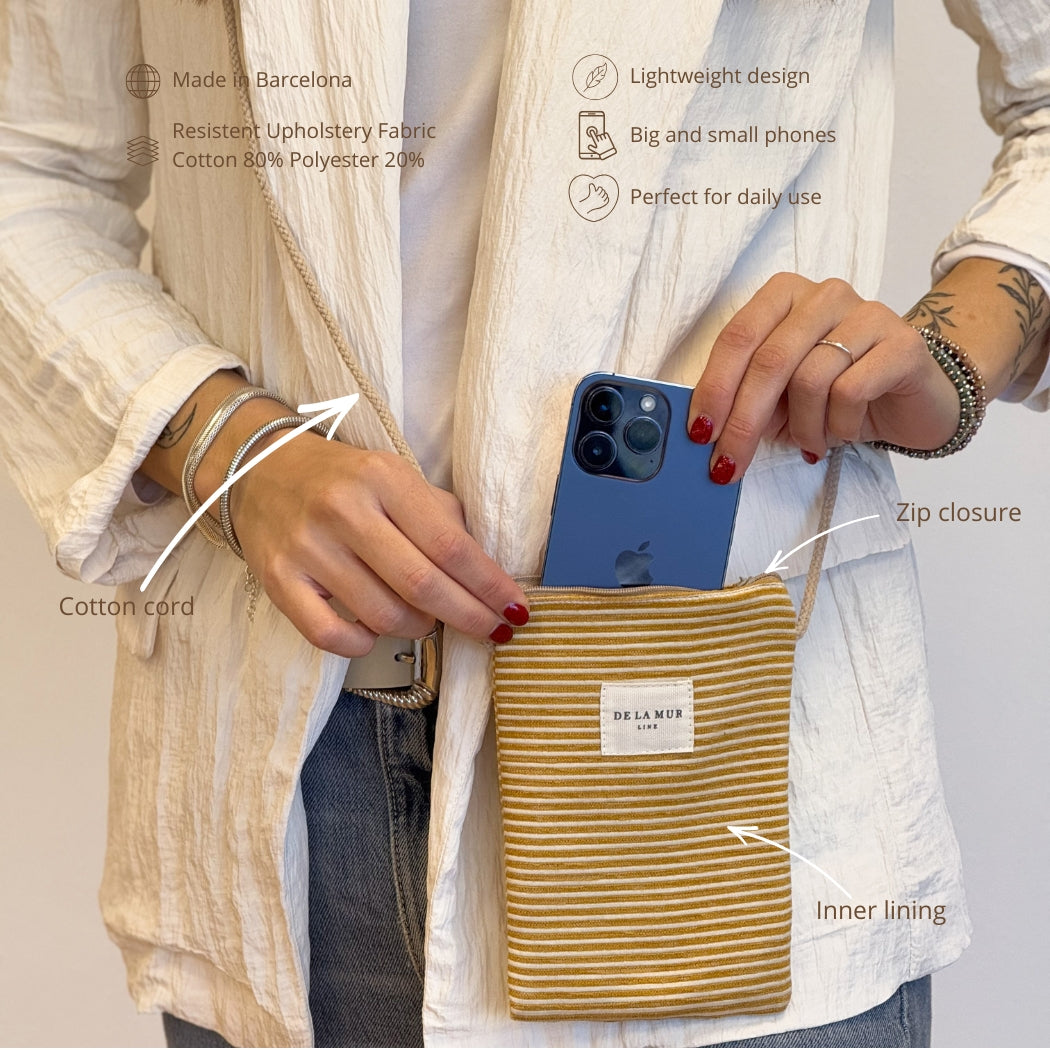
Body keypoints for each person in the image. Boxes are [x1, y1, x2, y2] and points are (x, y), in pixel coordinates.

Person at [1, 0, 1048, 1047]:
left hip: (749, 780)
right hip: (294, 798)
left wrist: (954, 353)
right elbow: (32, 166)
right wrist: (229, 449)